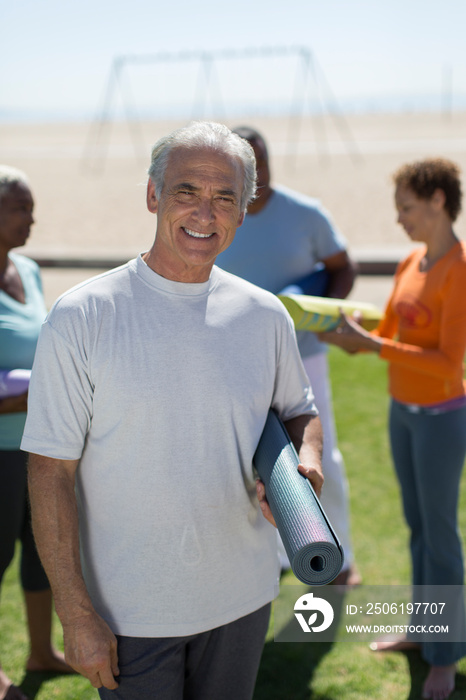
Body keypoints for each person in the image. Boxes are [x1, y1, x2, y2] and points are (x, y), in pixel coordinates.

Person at [22, 122, 324, 700]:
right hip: (129, 612)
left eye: (225, 197)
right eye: (187, 191)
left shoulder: (265, 316)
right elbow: (49, 470)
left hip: (244, 598)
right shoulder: (81, 317)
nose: (205, 213)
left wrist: (305, 466)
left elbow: (300, 412)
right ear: (153, 195)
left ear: (243, 211)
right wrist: (76, 613)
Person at [320, 158, 466, 700]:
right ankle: (424, 629)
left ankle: (446, 659)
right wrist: (342, 332)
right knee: (417, 529)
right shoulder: (412, 259)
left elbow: (449, 360)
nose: (400, 218)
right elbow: (388, 330)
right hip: (402, 412)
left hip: (442, 419)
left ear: (437, 201)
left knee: (441, 538)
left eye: (406, 206)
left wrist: (374, 345)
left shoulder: (459, 267)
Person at [216, 126, 360, 585]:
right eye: (243, 164)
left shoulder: (305, 213)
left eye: (259, 160)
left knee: (320, 458)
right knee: (244, 462)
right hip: (234, 361)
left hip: (304, 356)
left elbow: (342, 266)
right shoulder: (217, 216)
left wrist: (328, 313)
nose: (254, 171)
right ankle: (274, 559)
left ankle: (341, 559)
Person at [0, 166, 72, 700]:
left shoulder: (27, 268)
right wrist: (15, 398)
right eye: (20, 207)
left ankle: (42, 653)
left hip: (38, 443)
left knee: (43, 549)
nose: (32, 217)